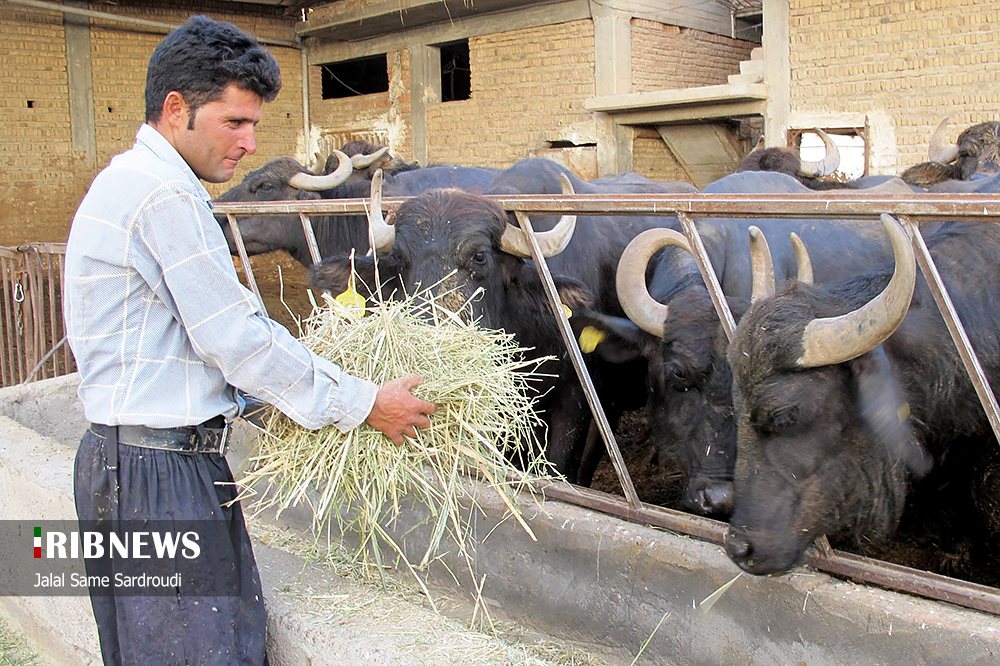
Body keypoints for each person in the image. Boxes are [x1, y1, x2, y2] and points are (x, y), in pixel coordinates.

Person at [63, 15, 436, 666]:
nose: (247, 142)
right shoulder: (164, 197)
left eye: (255, 124)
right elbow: (235, 340)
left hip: (120, 464)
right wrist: (362, 402)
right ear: (176, 108)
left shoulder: (125, 181)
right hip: (161, 479)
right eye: (234, 122)